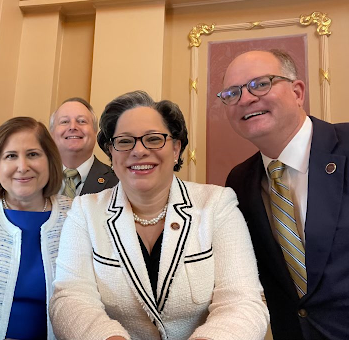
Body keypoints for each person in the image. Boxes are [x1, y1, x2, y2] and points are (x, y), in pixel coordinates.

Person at [50, 91, 269, 340]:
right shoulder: (85, 211)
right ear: (112, 152)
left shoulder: (216, 205)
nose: (139, 151)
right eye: (124, 141)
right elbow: (71, 297)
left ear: (176, 148)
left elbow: (243, 301)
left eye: (154, 139)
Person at [220, 49, 349, 340]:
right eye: (232, 93)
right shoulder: (240, 181)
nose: (246, 99)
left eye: (260, 84)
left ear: (297, 91)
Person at [0, 117, 73, 340]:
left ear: (49, 160)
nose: (23, 167)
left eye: (33, 154)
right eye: (11, 156)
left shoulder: (75, 216)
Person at [50, 97, 117, 197]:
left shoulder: (117, 182)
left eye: (82, 121)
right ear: (52, 133)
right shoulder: (35, 179)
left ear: (95, 131)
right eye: (64, 122)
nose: (73, 127)